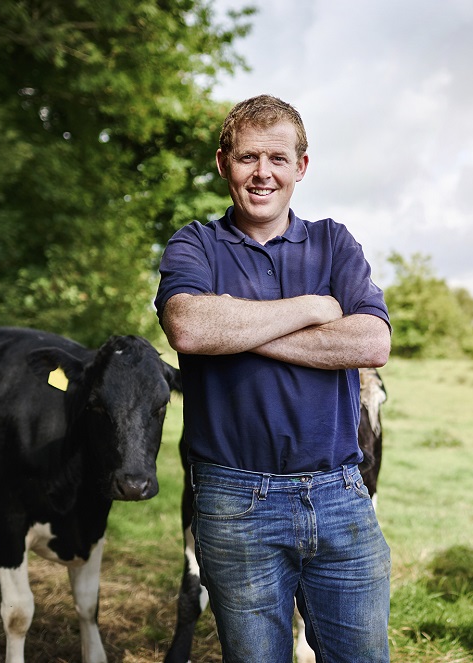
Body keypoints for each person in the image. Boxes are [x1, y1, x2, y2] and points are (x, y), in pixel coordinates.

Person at [155, 94, 392, 663]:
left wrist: (238, 331)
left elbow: (371, 342)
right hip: (236, 499)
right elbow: (188, 327)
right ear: (223, 163)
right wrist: (313, 306)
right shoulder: (197, 243)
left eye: (278, 159)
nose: (263, 174)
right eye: (248, 158)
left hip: (340, 493)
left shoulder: (334, 241)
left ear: (301, 167)